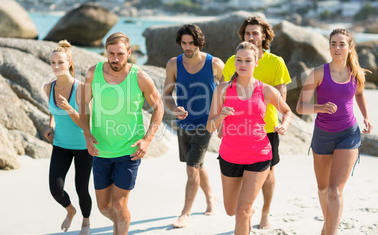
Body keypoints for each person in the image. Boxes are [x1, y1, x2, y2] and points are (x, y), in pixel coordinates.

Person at [80, 32, 164, 235]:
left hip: (129, 151)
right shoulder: (93, 73)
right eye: (111, 54)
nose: (115, 59)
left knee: (118, 205)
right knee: (104, 207)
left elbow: (158, 107)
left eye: (120, 54)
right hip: (101, 150)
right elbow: (83, 105)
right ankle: (120, 223)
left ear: (129, 52)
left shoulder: (140, 77)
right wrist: (87, 135)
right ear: (105, 52)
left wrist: (147, 140)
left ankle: (120, 227)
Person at [206, 41, 292, 235]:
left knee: (242, 212)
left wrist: (283, 125)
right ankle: (248, 209)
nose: (242, 64)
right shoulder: (222, 90)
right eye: (238, 60)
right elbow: (210, 125)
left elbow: (287, 111)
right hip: (229, 155)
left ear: (256, 63)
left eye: (247, 60)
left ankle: (247, 211)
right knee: (231, 210)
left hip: (259, 154)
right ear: (234, 62)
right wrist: (221, 116)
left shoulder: (267, 90)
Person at [296, 28, 373, 235]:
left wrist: (365, 116)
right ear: (329, 46)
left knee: (334, 189)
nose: (337, 48)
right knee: (323, 189)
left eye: (341, 44)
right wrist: (320, 108)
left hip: (348, 134)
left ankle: (330, 231)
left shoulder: (355, 72)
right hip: (322, 135)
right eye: (333, 43)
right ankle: (328, 224)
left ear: (349, 48)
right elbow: (301, 107)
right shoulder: (318, 73)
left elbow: (359, 94)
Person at [163, 24, 224, 228]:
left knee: (191, 168)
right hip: (183, 122)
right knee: (197, 164)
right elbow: (166, 95)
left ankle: (185, 214)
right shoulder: (173, 64)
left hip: (206, 122)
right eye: (184, 43)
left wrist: (221, 120)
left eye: (191, 43)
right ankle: (210, 197)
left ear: (199, 42)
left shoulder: (214, 63)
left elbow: (227, 92)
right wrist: (174, 108)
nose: (187, 47)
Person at [43, 40, 92, 235]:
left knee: (82, 188)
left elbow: (85, 124)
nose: (56, 67)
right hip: (61, 145)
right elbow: (53, 112)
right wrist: (50, 127)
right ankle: (70, 211)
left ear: (69, 63)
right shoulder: (49, 88)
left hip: (83, 145)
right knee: (55, 189)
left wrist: (70, 108)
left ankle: (86, 221)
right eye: (53, 63)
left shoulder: (81, 89)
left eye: (60, 63)